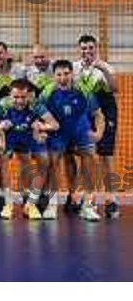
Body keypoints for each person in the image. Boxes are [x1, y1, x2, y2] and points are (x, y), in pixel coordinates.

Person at [0, 80, 59, 220]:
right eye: (15, 97)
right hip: (10, 135)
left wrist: (41, 126)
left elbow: (55, 125)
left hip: (28, 135)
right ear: (10, 95)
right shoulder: (2, 104)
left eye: (23, 97)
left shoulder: (36, 105)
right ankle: (8, 203)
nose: (19, 101)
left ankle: (31, 203)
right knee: (3, 161)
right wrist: (0, 125)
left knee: (44, 161)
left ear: (29, 95)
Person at [41, 60, 105, 222]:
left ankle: (87, 206)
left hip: (81, 132)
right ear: (54, 76)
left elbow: (98, 114)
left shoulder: (84, 91)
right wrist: (40, 131)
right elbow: (37, 113)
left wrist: (99, 133)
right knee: (53, 164)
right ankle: (52, 205)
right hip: (58, 134)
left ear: (72, 74)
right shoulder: (47, 93)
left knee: (90, 160)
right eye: (59, 74)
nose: (63, 78)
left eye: (66, 74)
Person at [73, 34, 119, 218]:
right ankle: (88, 198)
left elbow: (114, 89)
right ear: (79, 49)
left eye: (90, 47)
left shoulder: (105, 66)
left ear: (96, 48)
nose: (87, 51)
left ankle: (111, 200)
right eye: (84, 48)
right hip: (85, 115)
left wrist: (103, 69)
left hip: (106, 113)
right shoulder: (74, 68)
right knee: (86, 156)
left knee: (106, 156)